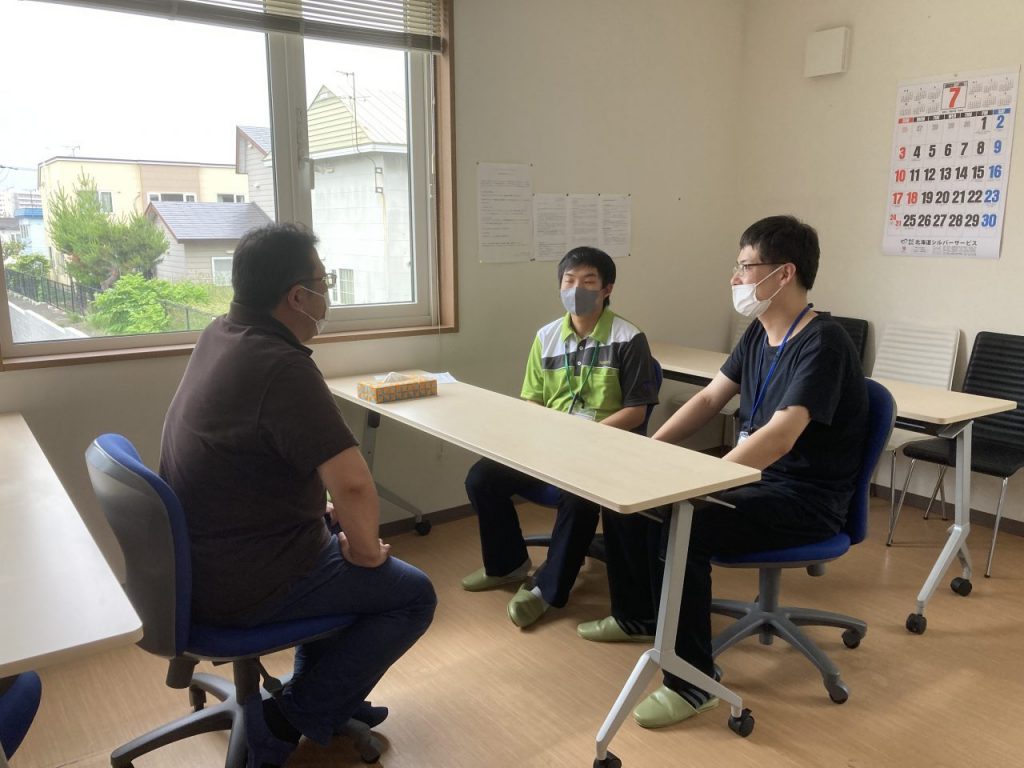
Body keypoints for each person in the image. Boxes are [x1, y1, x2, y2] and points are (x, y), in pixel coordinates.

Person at [160, 223, 436, 767]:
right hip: (247, 581)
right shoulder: (281, 365)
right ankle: (288, 720)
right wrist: (365, 551)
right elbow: (353, 482)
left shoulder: (221, 334)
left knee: (335, 537)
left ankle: (327, 695)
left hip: (202, 562)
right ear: (296, 297)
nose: (326, 294)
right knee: (410, 594)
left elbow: (254, 458)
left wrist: (327, 520)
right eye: (323, 283)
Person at [577, 215, 868, 729]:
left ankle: (692, 683)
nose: (735, 278)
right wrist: (648, 451)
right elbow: (711, 399)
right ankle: (638, 616)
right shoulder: (759, 333)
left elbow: (780, 436)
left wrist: (702, 484)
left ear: (784, 273)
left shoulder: (825, 342)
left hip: (805, 497)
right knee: (632, 496)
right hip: (757, 481)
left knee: (685, 522)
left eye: (745, 266)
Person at [461, 246, 659, 628]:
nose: (576, 289)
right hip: (550, 444)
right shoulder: (546, 336)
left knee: (578, 497)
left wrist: (583, 438)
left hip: (603, 448)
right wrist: (540, 439)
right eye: (569, 281)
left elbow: (637, 411)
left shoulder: (629, 338)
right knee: (482, 477)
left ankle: (547, 590)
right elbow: (532, 401)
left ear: (607, 289)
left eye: (588, 281)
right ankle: (507, 564)